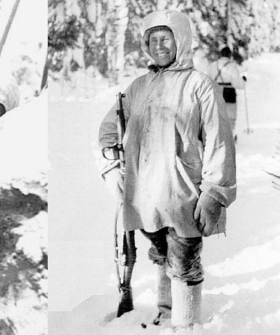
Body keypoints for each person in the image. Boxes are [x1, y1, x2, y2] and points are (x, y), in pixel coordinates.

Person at [98, 10, 236, 330]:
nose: (159, 46)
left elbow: (220, 144)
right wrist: (111, 169)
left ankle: (185, 324)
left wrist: (214, 194)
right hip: (144, 192)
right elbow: (108, 131)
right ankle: (165, 309)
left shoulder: (200, 85)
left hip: (184, 191)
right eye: (152, 40)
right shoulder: (137, 87)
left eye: (166, 38)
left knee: (184, 257)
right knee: (160, 251)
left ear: (181, 40)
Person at [207, 46, 246, 136]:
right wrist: (243, 81)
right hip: (229, 92)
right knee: (230, 116)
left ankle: (216, 135)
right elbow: (237, 82)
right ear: (229, 55)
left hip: (216, 92)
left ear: (220, 54)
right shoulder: (232, 66)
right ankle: (229, 136)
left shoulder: (213, 65)